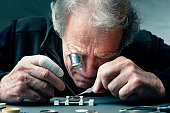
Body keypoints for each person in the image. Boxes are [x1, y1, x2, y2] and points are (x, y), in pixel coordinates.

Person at [0, 0, 169, 104]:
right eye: (77, 55)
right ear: (59, 31)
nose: (87, 72)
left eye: (105, 57)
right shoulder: (19, 35)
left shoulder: (144, 44)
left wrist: (159, 84)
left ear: (124, 41)